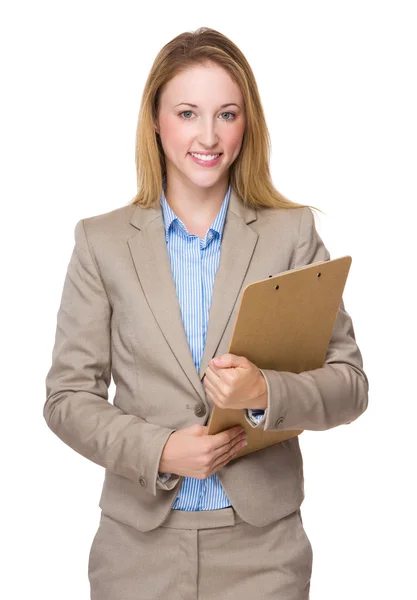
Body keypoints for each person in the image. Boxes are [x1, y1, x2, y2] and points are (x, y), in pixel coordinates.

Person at [43, 26, 369, 600]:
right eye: (188, 112)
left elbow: (350, 386)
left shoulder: (291, 235)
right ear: (155, 120)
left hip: (263, 553)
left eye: (227, 114)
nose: (209, 135)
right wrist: (161, 450)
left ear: (248, 124)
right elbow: (67, 399)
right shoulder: (101, 242)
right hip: (136, 554)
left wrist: (264, 390)